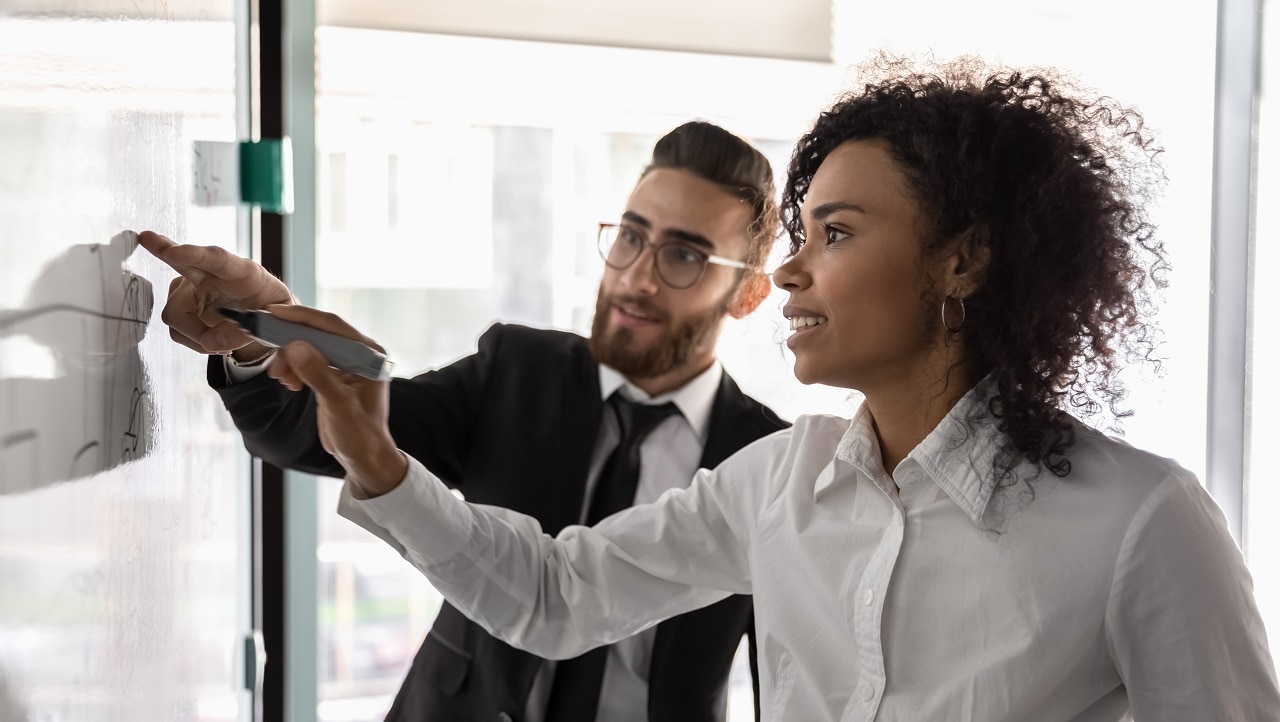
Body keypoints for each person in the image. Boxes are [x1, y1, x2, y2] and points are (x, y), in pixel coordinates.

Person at [156, 58, 1280, 719]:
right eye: (800, 233)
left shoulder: (1139, 521)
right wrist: (372, 452)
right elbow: (553, 595)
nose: (793, 270)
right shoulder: (777, 481)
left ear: (963, 261)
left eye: (836, 233)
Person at [140, 121, 788, 721]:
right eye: (631, 237)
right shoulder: (518, 370)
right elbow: (316, 434)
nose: (638, 277)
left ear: (749, 293)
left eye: (684, 257)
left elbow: (789, 681)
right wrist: (260, 337)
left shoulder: (767, 461)